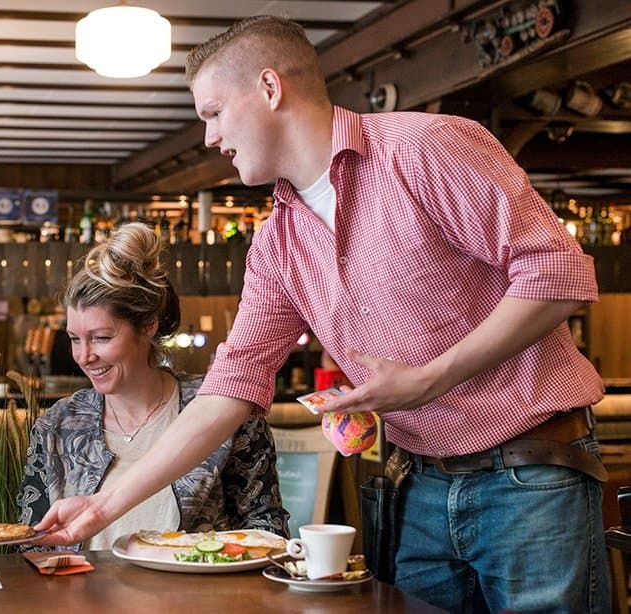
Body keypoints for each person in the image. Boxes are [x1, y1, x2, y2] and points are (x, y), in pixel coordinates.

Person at [34, 15, 609, 613]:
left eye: (212, 113)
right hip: (417, 486)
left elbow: (558, 275)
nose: (208, 138)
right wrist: (102, 507)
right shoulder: (277, 240)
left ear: (269, 87)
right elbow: (233, 384)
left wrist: (427, 380)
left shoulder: (423, 148)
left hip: (531, 475)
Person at [17, 222, 289, 551]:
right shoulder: (56, 426)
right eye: (75, 339)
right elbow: (32, 544)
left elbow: (268, 530)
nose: (84, 356)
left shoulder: (224, 412)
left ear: (148, 328)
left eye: (101, 338)